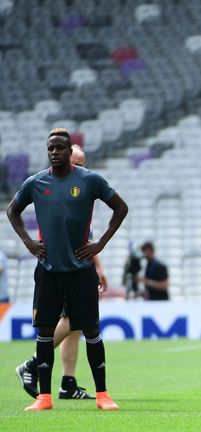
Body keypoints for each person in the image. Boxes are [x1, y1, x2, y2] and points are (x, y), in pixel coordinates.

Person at [6, 128, 128, 411]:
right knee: (45, 332)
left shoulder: (88, 180)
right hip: (48, 270)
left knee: (91, 330)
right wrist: (28, 242)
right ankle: (44, 398)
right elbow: (13, 210)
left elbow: (120, 208)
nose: (54, 152)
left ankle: (102, 395)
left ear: (69, 150)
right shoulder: (36, 183)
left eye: (60, 148)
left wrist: (100, 244)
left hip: (81, 270)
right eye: (50, 148)